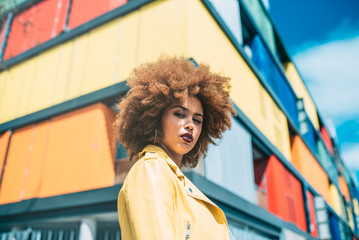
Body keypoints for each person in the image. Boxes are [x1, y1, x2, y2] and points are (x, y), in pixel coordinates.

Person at [115, 56, 235, 239]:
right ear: (154, 119)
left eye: (197, 120)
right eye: (180, 114)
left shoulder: (178, 181)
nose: (190, 125)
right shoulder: (151, 169)